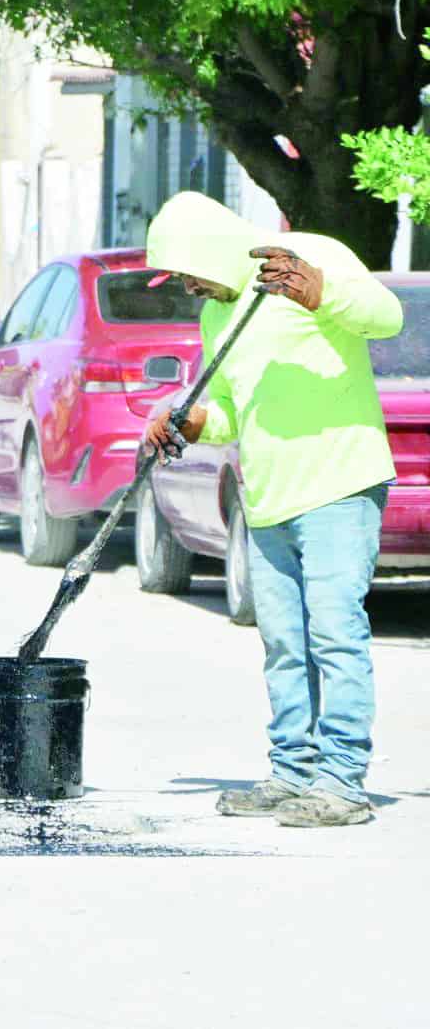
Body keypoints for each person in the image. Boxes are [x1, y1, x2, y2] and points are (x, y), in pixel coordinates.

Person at [142, 191, 403, 827]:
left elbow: (386, 316)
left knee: (334, 635)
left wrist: (321, 294)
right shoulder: (218, 315)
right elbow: (236, 406)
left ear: (206, 247)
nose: (184, 285)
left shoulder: (311, 257)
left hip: (339, 484)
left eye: (183, 271)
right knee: (284, 643)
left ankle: (342, 782)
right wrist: (193, 419)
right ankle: (292, 771)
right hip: (266, 497)